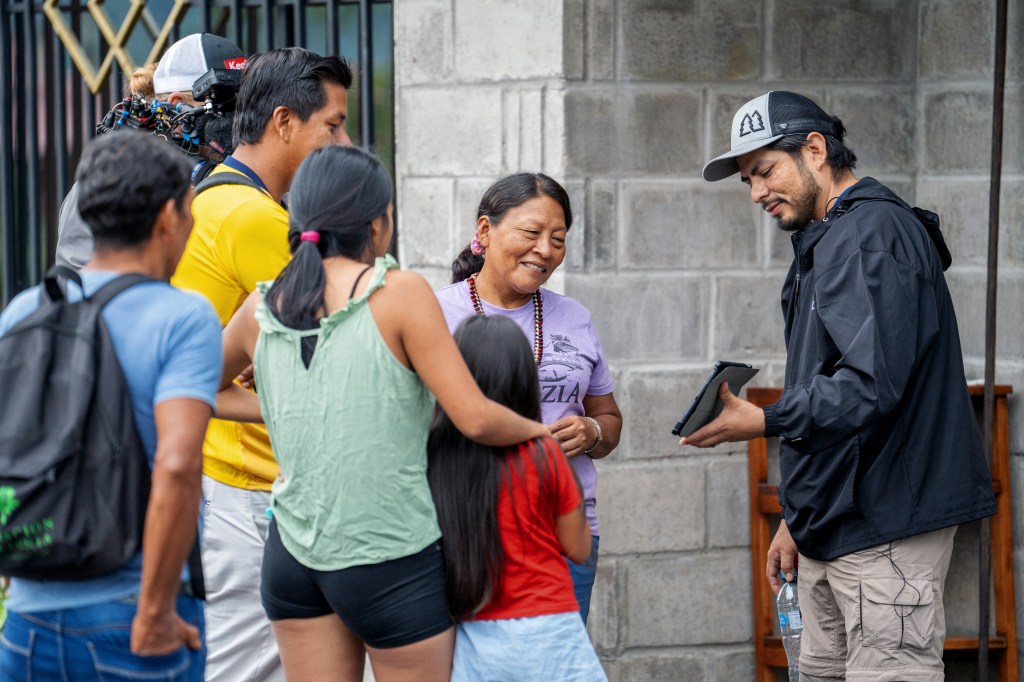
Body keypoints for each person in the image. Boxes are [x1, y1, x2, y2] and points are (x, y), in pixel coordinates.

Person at [689, 91, 996, 680]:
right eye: (748, 180)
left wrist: (765, 419)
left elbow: (868, 386)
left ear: (815, 150)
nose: (756, 193)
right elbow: (831, 389)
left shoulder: (871, 233)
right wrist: (796, 516)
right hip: (832, 528)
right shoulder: (830, 236)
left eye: (765, 171)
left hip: (886, 526)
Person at [213, 145, 550, 681]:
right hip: (388, 557)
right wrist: (541, 434)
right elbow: (476, 418)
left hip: (292, 557)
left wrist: (282, 408)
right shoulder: (398, 293)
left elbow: (193, 388)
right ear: (377, 223)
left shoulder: (263, 306)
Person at [0, 132, 221, 680]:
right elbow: (177, 464)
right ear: (168, 217)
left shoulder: (26, 309)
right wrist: (156, 612)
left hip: (26, 618)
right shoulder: (183, 317)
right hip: (131, 613)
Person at [170, 47, 352, 682]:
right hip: (250, 489)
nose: (343, 143)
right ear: (284, 122)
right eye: (333, 125)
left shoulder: (213, 193)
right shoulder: (257, 218)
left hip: (225, 478)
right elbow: (329, 361)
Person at [434, 173, 622, 623]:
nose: (545, 250)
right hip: (465, 529)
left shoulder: (574, 317)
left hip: (565, 531)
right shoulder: (435, 313)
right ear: (485, 231)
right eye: (531, 233)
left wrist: (592, 432)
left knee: (554, 654)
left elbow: (609, 418)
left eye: (557, 239)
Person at [428, 314, 607, 681]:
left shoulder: (434, 456)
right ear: (524, 380)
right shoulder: (545, 454)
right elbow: (578, 549)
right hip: (548, 628)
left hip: (471, 629)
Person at [55, 33, 247, 270]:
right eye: (227, 104)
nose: (237, 119)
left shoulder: (243, 169)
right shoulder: (110, 180)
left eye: (244, 105)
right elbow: (77, 273)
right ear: (178, 104)